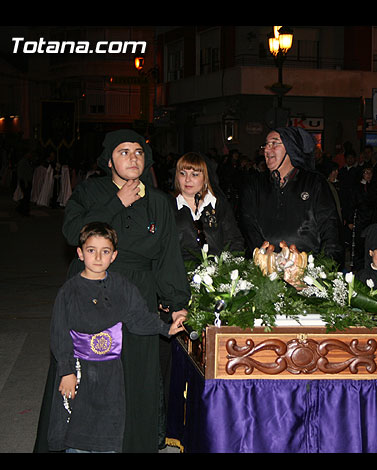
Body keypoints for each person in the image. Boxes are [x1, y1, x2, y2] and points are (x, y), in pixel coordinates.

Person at [34, 129, 191, 453]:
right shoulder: (92, 192)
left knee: (134, 376)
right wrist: (116, 203)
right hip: (92, 292)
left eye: (138, 151)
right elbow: (71, 231)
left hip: (139, 293)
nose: (133, 157)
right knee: (86, 375)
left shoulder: (159, 201)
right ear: (109, 160)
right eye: (124, 152)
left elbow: (167, 256)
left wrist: (176, 302)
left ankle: (131, 444)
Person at [47, 222, 186, 453]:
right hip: (80, 371)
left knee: (110, 431)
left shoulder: (122, 286)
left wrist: (166, 328)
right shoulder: (69, 291)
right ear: (80, 253)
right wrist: (66, 371)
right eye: (91, 250)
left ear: (114, 256)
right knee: (78, 429)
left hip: (111, 374)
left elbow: (139, 318)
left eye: (105, 251)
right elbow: (60, 333)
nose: (98, 257)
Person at [238, 126, 343, 264]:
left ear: (291, 148)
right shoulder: (254, 185)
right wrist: (264, 259)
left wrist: (323, 267)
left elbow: (330, 229)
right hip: (264, 271)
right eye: (266, 145)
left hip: (305, 269)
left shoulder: (314, 183)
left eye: (274, 143)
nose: (267, 150)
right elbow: (248, 226)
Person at [173, 151, 245, 263]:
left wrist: (228, 270)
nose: (187, 179)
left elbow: (234, 241)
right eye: (183, 173)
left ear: (205, 177)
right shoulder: (168, 206)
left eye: (195, 174)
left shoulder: (218, 205)